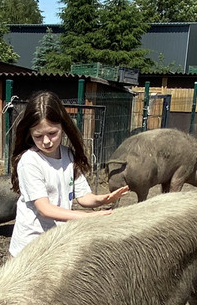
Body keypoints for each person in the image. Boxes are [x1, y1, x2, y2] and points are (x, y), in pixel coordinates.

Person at [9, 90, 129, 257]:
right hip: (29, 250)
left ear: (63, 127)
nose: (46, 141)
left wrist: (101, 199)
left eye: (52, 133)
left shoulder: (68, 155)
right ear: (29, 133)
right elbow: (44, 209)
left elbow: (82, 196)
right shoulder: (30, 161)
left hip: (56, 242)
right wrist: (88, 218)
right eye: (38, 136)